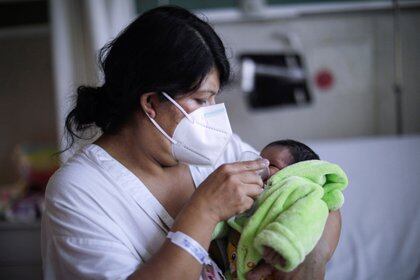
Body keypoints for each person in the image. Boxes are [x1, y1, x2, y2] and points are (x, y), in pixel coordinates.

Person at [41, 6, 340, 280]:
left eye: (214, 98)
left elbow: (315, 190)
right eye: (201, 100)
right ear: (151, 103)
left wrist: (313, 254)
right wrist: (204, 212)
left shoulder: (215, 149)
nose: (213, 114)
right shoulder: (78, 191)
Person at [225, 140, 341, 280]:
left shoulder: (301, 192)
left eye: (271, 165)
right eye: (259, 161)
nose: (260, 170)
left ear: (296, 172)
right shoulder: (255, 196)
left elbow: (306, 216)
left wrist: (283, 242)